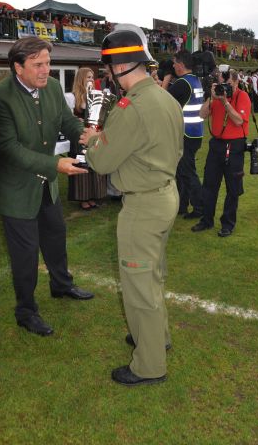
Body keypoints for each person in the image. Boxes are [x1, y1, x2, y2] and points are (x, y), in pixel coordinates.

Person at [80, 25, 183, 386]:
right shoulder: (165, 98)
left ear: (119, 66)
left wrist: (93, 141)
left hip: (143, 204)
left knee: (139, 285)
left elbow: (102, 161)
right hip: (166, 193)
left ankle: (149, 365)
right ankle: (156, 336)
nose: (108, 74)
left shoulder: (131, 107)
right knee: (152, 276)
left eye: (109, 67)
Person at [0, 37, 94, 337]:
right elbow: (9, 148)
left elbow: (66, 121)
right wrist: (55, 165)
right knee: (25, 254)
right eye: (38, 65)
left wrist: (86, 135)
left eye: (48, 63)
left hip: (46, 184)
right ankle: (26, 311)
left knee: (56, 237)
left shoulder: (54, 88)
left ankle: (61, 285)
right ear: (18, 67)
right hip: (17, 188)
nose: (46, 70)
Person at [191, 65, 251, 238]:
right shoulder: (216, 96)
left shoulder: (242, 96)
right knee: (209, 185)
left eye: (228, 84)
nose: (224, 88)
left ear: (237, 82)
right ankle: (206, 220)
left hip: (235, 146)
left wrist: (225, 102)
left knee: (233, 188)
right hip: (217, 145)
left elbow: (239, 121)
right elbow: (202, 115)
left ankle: (228, 223)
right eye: (222, 83)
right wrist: (211, 97)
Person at [167, 49, 204, 219]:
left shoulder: (182, 83)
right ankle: (182, 205)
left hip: (185, 134)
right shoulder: (195, 80)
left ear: (181, 65)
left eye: (174, 63)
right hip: (195, 132)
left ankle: (199, 208)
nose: (173, 66)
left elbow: (163, 102)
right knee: (182, 172)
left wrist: (164, 82)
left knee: (187, 173)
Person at [67, 67, 107, 210]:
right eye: (88, 77)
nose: (91, 79)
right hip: (80, 136)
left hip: (93, 134)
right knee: (82, 165)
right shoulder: (72, 97)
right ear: (81, 79)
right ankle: (83, 198)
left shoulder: (96, 96)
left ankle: (94, 195)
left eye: (92, 77)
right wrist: (75, 119)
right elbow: (67, 117)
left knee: (94, 164)